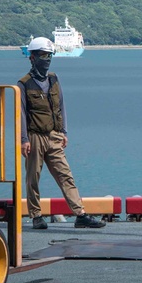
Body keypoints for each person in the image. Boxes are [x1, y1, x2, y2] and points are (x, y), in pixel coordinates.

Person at [19, 36, 105, 229]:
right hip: (34, 136)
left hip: (54, 136)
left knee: (65, 175)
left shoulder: (54, 80)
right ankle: (36, 215)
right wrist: (24, 139)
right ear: (32, 57)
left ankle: (80, 214)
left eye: (49, 54)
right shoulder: (23, 83)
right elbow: (21, 114)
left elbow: (61, 107)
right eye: (42, 55)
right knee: (33, 177)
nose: (47, 59)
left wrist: (64, 131)